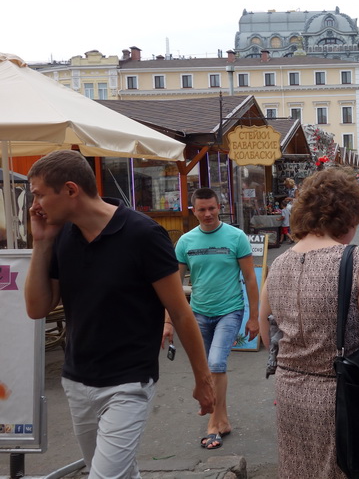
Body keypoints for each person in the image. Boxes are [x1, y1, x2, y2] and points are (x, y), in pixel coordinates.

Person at [24, 150, 215, 477]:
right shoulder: (61, 236)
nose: (35, 205)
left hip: (128, 382)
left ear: (71, 190)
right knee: (118, 472)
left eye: (39, 194)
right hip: (76, 378)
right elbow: (37, 308)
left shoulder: (143, 234)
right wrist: (41, 243)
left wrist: (203, 379)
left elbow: (180, 312)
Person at [264, 168, 359, 479]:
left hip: (291, 397)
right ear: (350, 214)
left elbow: (269, 337)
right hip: (345, 400)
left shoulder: (278, 264)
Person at [175, 188, 260, 450]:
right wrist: (169, 321)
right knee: (208, 368)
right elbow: (175, 285)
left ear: (219, 206)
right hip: (199, 313)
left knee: (216, 363)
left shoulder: (236, 237)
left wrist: (253, 317)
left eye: (212, 208)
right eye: (202, 209)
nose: (208, 213)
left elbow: (249, 278)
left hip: (230, 311)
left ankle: (213, 423)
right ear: (194, 211)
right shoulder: (185, 242)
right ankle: (222, 419)